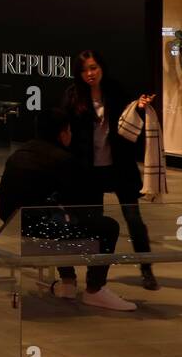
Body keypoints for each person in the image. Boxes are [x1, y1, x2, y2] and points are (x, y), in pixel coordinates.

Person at [0, 109, 135, 311]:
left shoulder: (20, 154)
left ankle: (68, 282)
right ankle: (95, 289)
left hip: (13, 226)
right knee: (107, 227)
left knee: (62, 217)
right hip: (38, 230)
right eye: (69, 130)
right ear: (62, 133)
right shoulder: (61, 160)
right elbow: (78, 204)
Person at [61, 50, 159, 291]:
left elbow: (130, 117)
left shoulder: (115, 91)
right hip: (89, 170)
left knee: (134, 219)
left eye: (93, 68)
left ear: (101, 67)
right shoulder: (73, 95)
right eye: (84, 70)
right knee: (95, 223)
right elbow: (64, 128)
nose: (90, 74)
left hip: (119, 167)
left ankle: (146, 268)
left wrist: (140, 106)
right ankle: (96, 275)